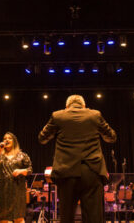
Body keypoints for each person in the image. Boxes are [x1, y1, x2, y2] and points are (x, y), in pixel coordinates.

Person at [38, 94, 117, 223]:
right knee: (94, 217)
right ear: (84, 105)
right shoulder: (95, 115)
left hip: (66, 171)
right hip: (92, 171)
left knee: (66, 217)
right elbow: (112, 137)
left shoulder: (58, 116)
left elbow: (42, 138)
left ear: (67, 106)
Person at [0, 132, 33, 223]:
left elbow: (30, 169)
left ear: (14, 141)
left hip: (17, 189)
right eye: (4, 138)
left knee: (18, 217)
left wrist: (21, 171)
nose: (6, 140)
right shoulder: (0, 155)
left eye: (9, 138)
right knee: (2, 217)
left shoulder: (22, 155)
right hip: (3, 189)